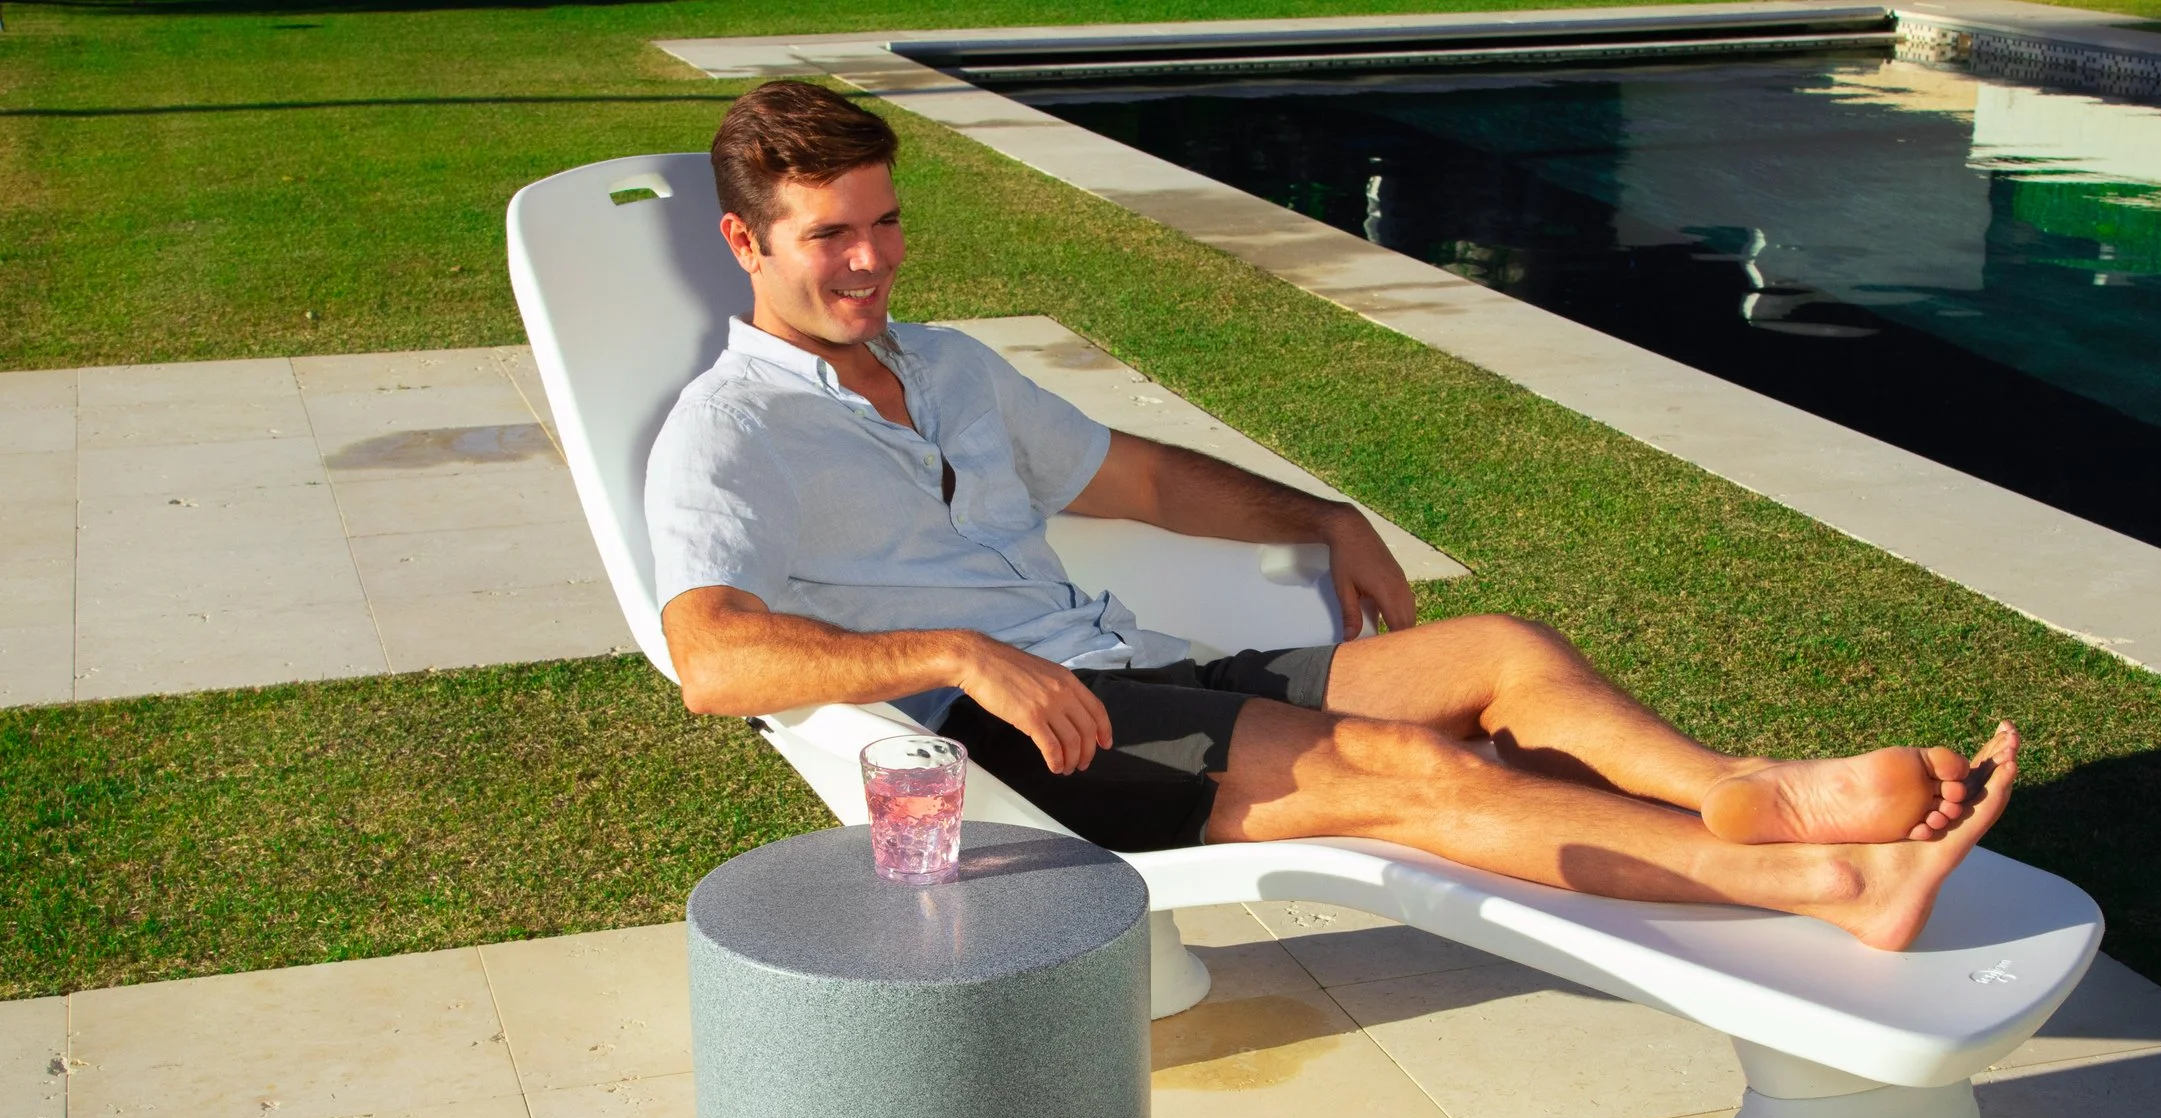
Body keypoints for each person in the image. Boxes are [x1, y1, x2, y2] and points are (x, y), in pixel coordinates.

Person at [648, 81, 2017, 952]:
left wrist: (1324, 514)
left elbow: (1147, 480)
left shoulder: (948, 365)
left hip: (1139, 664)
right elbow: (715, 661)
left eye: (883, 222)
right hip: (1027, 745)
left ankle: (1739, 788)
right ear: (746, 242)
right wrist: (957, 653)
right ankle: (1830, 891)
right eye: (831, 236)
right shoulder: (728, 430)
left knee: (1502, 655)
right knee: (1423, 774)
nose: (873, 260)